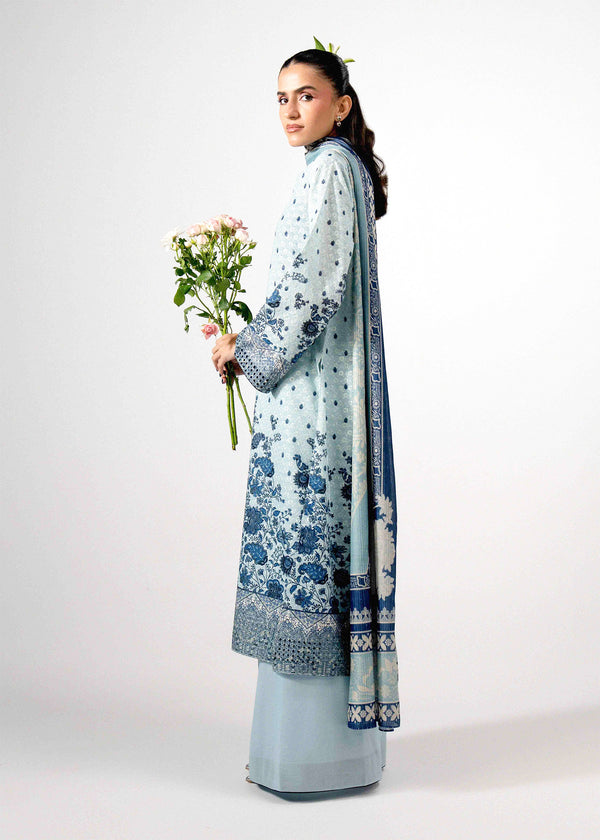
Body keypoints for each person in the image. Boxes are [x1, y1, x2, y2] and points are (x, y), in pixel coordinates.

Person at [211, 46, 400, 796]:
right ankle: (324, 756)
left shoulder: (328, 171)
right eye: (281, 98)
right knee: (315, 552)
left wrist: (243, 349)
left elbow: (308, 292)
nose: (291, 111)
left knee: (307, 552)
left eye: (307, 96)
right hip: (318, 395)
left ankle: (308, 763)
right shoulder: (338, 170)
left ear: (341, 105)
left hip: (313, 406)